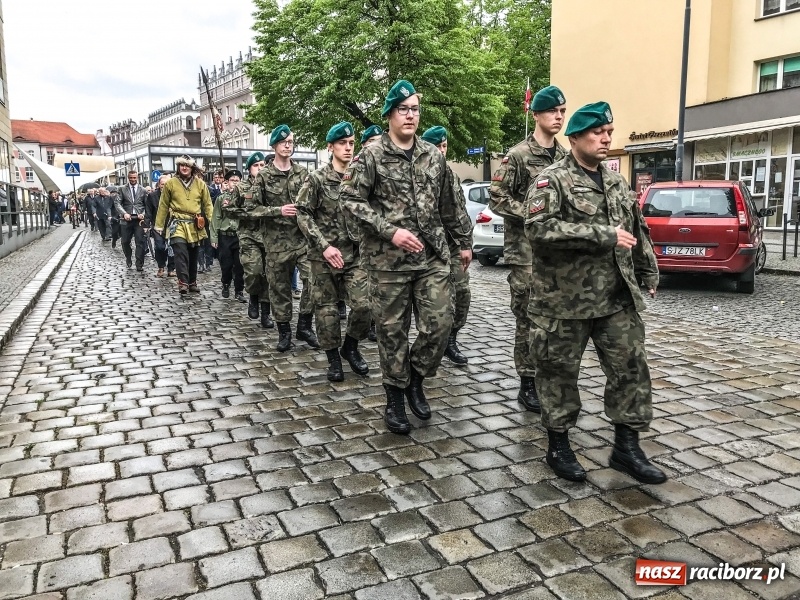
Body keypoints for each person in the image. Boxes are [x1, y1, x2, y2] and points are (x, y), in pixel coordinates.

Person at [524, 101, 665, 485]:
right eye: (597, 132)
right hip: (564, 301)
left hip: (616, 298)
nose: (606, 138)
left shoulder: (618, 182)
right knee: (558, 374)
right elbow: (537, 231)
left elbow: (637, 229)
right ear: (575, 137)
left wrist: (647, 268)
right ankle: (559, 445)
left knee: (630, 369)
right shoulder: (550, 180)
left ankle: (626, 447)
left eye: (609, 132)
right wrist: (599, 235)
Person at [340, 80, 472, 434]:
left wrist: (463, 241)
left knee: (440, 324)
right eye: (404, 109)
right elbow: (350, 201)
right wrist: (389, 230)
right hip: (388, 262)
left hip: (431, 257)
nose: (411, 115)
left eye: (415, 108)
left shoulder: (432, 155)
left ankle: (416, 376)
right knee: (392, 332)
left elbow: (450, 204)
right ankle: (395, 398)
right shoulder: (370, 156)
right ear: (389, 115)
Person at [489, 85, 568, 414]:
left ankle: (550, 376)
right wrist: (533, 213)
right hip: (526, 254)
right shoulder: (519, 155)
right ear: (536, 114)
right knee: (528, 319)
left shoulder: (566, 156)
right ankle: (527, 382)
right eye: (553, 111)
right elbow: (497, 196)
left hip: (558, 256)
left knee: (556, 320)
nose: (559, 117)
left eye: (563, 111)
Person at [297, 121, 370, 381]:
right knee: (326, 310)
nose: (348, 148)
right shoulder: (316, 179)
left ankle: (350, 347)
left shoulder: (360, 178)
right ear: (331, 147)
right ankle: (333, 359)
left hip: (354, 255)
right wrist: (324, 246)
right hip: (322, 257)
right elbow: (303, 214)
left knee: (364, 306)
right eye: (342, 143)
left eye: (351, 143)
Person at [256, 125, 319, 352]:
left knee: (314, 280)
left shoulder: (303, 173)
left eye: (291, 142)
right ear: (274, 145)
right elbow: (251, 209)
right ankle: (284, 332)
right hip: (275, 243)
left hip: (302, 240)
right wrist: (277, 211)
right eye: (284, 142)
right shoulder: (263, 176)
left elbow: (313, 203)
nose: (288, 145)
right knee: (279, 288)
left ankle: (304, 324)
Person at [421, 126, 474, 365]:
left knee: (462, 293)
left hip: (453, 246)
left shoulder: (451, 175)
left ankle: (451, 338)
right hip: (430, 247)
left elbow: (460, 212)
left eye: (444, 146)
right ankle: (433, 343)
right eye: (437, 146)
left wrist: (466, 243)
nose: (442, 151)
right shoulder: (420, 173)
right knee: (436, 302)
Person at [224, 152, 274, 328]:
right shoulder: (241, 187)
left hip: (268, 236)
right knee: (254, 271)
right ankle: (253, 297)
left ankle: (266, 313)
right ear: (249, 169)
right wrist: (247, 214)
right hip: (248, 236)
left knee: (268, 274)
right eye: (256, 166)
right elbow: (229, 208)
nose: (260, 169)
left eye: (262, 165)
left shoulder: (271, 186)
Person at [154, 155, 214, 295]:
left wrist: (213, 223)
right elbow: (163, 205)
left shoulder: (200, 184)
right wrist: (159, 225)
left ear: (191, 167)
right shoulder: (171, 183)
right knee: (180, 252)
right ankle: (183, 283)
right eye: (181, 165)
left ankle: (192, 282)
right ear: (178, 167)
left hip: (194, 224)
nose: (184, 167)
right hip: (177, 223)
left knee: (193, 254)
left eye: (187, 165)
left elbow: (208, 205)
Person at [360, 124, 383, 343]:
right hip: (359, 240)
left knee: (377, 288)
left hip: (381, 242)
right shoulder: (357, 169)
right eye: (372, 141)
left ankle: (375, 325)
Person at [211, 169, 246, 302]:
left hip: (239, 235)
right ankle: (225, 284)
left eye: (237, 181)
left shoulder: (244, 198)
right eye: (232, 180)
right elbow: (216, 218)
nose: (235, 183)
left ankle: (239, 291)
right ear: (227, 182)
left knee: (239, 265)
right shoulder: (221, 199)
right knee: (226, 264)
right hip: (225, 236)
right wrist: (214, 237)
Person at [115, 169, 148, 270]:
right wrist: (124, 213)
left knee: (140, 242)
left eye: (134, 178)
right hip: (126, 219)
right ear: (128, 178)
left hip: (139, 220)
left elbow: (147, 206)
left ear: (137, 178)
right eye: (131, 178)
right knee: (125, 241)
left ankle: (139, 263)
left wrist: (143, 214)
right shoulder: (122, 189)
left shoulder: (143, 190)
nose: (133, 179)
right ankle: (128, 257)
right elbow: (117, 203)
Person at [145, 174, 175, 277]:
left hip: (171, 225)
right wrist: (146, 225)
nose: (164, 186)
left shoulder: (174, 195)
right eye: (162, 184)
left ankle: (171, 269)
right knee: (160, 247)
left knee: (172, 247)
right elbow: (148, 211)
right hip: (157, 226)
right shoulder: (152, 196)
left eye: (166, 184)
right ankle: (161, 266)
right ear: (159, 184)